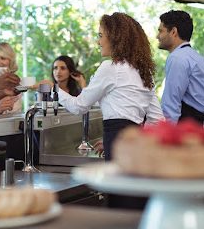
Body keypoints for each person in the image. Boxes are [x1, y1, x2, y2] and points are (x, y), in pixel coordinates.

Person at [51, 12, 163, 161]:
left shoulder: (111, 67)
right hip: (134, 146)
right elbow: (157, 120)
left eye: (100, 35)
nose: (98, 42)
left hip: (117, 143)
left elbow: (79, 106)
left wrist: (54, 89)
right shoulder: (143, 72)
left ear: (115, 38)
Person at [157, 10, 204, 124]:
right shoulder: (196, 57)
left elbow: (170, 105)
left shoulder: (178, 58)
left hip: (190, 128)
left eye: (160, 31)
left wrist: (166, 137)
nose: (157, 36)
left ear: (173, 31)